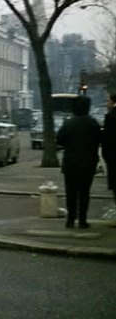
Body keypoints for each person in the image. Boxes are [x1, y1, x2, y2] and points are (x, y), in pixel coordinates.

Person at [56, 96, 102, 228]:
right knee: (84, 193)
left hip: (70, 163)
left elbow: (59, 140)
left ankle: (70, 219)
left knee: (70, 193)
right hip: (88, 163)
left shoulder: (69, 123)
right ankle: (83, 220)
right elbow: (99, 140)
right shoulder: (93, 123)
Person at [102, 93, 116, 205]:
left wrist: (106, 156)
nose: (107, 104)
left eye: (108, 101)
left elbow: (107, 139)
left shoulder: (110, 117)